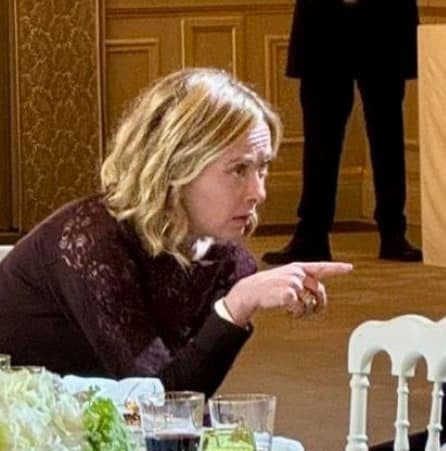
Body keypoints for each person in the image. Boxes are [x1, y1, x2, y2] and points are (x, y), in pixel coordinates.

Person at [0, 68, 353, 397]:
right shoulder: (90, 243)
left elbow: (182, 403)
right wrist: (236, 307)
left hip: (88, 428)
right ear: (176, 169)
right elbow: (159, 400)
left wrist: (235, 306)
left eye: (262, 168)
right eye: (238, 170)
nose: (258, 192)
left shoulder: (227, 260)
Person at [262, 0, 422, 264]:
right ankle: (312, 233)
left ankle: (393, 232)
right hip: (324, 20)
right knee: (320, 138)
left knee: (387, 135)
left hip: (384, 19)